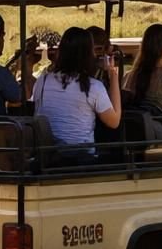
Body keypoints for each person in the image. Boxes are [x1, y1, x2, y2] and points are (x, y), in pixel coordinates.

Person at [32, 27, 121, 164]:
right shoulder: (93, 86)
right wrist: (113, 75)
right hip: (82, 159)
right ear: (88, 54)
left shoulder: (42, 81)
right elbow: (114, 121)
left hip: (48, 156)